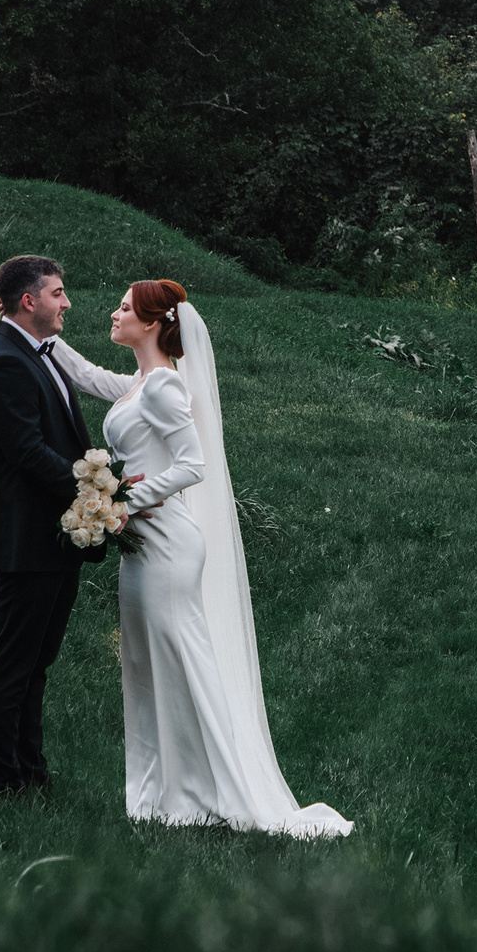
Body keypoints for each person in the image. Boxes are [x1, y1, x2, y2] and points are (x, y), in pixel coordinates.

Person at [50, 278, 353, 837]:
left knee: (182, 661)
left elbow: (193, 464)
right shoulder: (140, 383)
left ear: (151, 322)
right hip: (143, 543)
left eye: (124, 308)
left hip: (166, 543)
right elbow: (89, 376)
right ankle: (163, 791)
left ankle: (217, 792)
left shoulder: (164, 386)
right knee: (145, 665)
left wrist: (122, 501)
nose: (114, 314)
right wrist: (41, 337)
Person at [0, 255, 105, 793]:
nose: (66, 302)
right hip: (26, 537)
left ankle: (31, 770)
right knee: (12, 663)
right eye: (58, 293)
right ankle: (3, 779)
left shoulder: (37, 354)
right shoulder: (3, 361)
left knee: (37, 662)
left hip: (54, 535)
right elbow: (27, 452)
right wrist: (96, 491)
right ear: (29, 301)